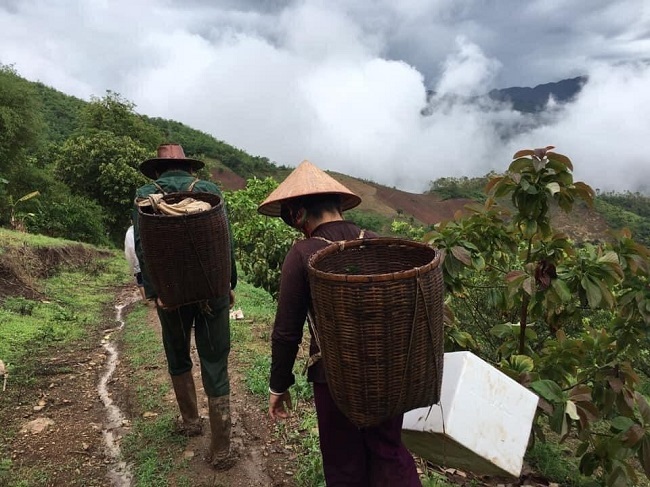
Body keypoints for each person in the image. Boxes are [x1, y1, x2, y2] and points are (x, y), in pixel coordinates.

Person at [258, 160, 422, 486]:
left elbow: (287, 332)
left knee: (344, 463)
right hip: (387, 371)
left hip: (334, 378)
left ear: (299, 213)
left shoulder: (303, 252)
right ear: (337, 205)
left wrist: (279, 385)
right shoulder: (376, 240)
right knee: (388, 451)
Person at [132, 143, 238, 469]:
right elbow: (224, 239)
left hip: (171, 294)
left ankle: (191, 421)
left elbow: (142, 244)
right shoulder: (208, 190)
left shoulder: (145, 194)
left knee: (178, 356)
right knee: (215, 360)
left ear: (158, 170)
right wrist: (228, 284)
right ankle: (221, 450)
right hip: (211, 292)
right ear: (190, 168)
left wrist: (154, 290)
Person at [124, 224, 146, 301]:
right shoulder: (144, 225)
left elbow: (130, 247)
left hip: (137, 257)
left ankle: (145, 299)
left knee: (140, 278)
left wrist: (133, 260)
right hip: (145, 257)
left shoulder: (130, 231)